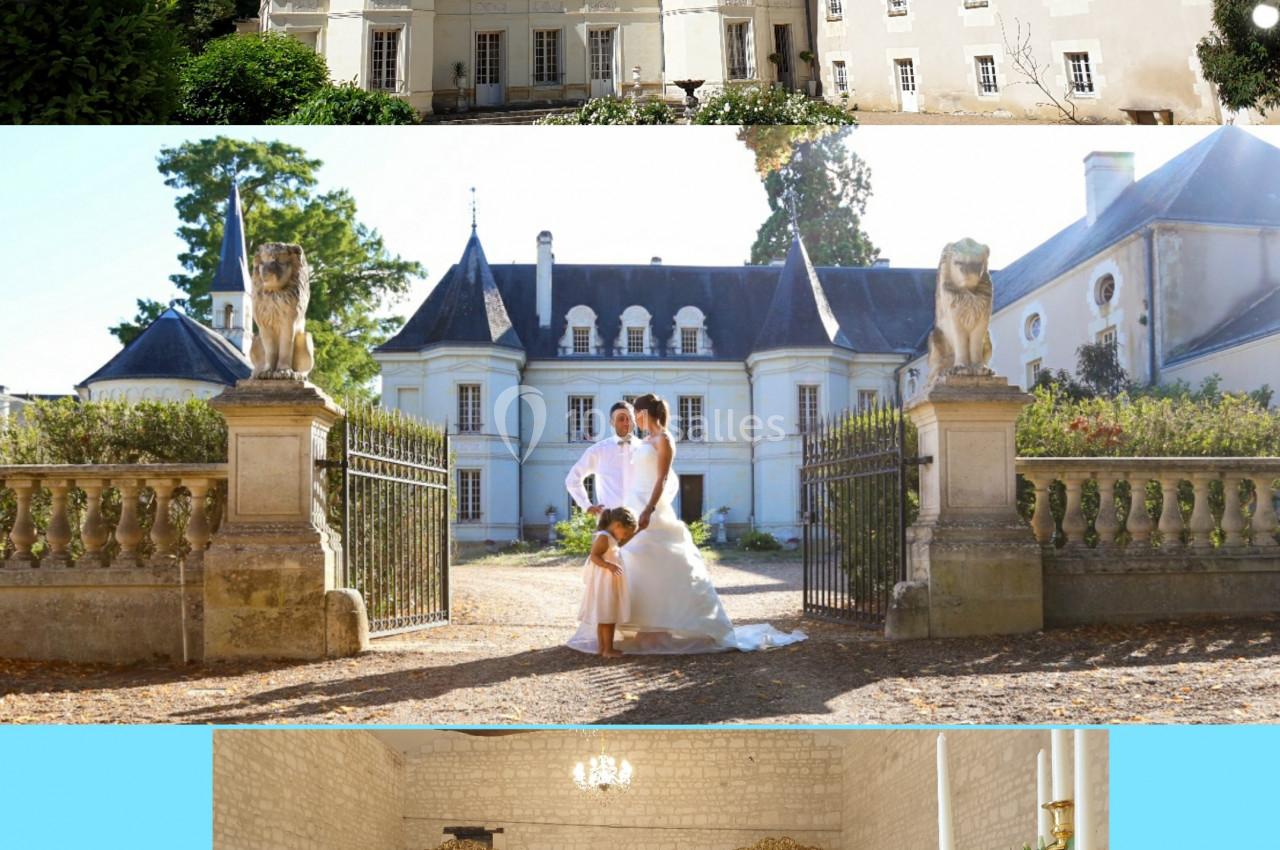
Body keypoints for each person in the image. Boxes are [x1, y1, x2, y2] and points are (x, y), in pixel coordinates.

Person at [570, 392, 807, 655]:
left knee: (660, 567)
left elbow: (664, 479)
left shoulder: (665, 439)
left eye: (635, 413)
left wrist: (650, 508)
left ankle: (661, 628)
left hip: (650, 510)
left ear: (644, 413)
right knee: (637, 568)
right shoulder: (643, 441)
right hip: (633, 506)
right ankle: (643, 627)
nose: (634, 419)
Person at [565, 401, 643, 519]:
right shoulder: (598, 451)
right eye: (621, 419)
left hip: (639, 520)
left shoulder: (645, 449)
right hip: (609, 520)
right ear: (612, 422)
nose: (626, 422)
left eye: (630, 418)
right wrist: (587, 506)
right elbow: (572, 479)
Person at [578, 507, 638, 659]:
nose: (625, 537)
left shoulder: (611, 537)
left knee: (604, 616)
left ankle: (602, 648)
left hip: (608, 581)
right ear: (617, 525)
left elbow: (621, 543)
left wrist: (639, 530)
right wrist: (608, 565)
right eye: (625, 532)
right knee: (608, 617)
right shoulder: (604, 537)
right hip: (604, 583)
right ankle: (608, 650)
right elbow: (594, 556)